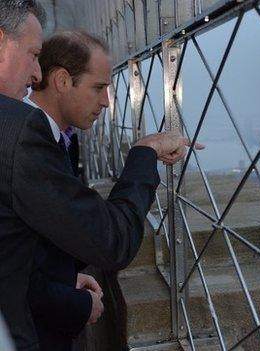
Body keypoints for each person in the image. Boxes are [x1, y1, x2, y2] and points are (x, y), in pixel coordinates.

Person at [0, 1, 201, 350]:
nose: (35, 75)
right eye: (33, 54)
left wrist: (64, 277)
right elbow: (112, 240)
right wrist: (144, 154)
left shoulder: (46, 137)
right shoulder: (19, 132)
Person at [23, 31, 116, 351]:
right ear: (62, 80)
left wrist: (64, 279)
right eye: (99, 88)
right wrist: (143, 157)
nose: (106, 101)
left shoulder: (57, 137)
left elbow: (26, 246)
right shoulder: (27, 145)